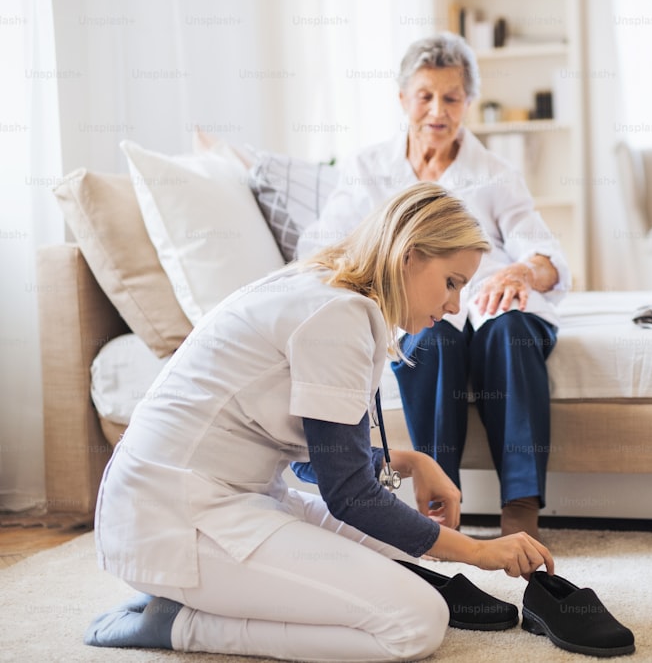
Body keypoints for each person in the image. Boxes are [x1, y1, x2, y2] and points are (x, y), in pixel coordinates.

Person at [85, 183, 554, 662]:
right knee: (415, 623)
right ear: (409, 256)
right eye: (452, 282)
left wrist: (411, 462)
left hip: (231, 500)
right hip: (175, 520)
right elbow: (349, 494)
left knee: (402, 547)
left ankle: (201, 596)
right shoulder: (340, 315)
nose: (456, 305)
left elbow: (314, 461)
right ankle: (179, 623)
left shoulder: (328, 290)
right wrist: (478, 551)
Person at [298, 32, 570, 539]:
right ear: (404, 99)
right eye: (425, 96)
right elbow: (324, 245)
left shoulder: (494, 172)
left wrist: (523, 271)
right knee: (432, 342)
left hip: (490, 300)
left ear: (468, 102)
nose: (437, 111)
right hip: (418, 307)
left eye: (451, 97)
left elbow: (546, 253)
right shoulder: (368, 168)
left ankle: (521, 513)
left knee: (509, 332)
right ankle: (441, 508)